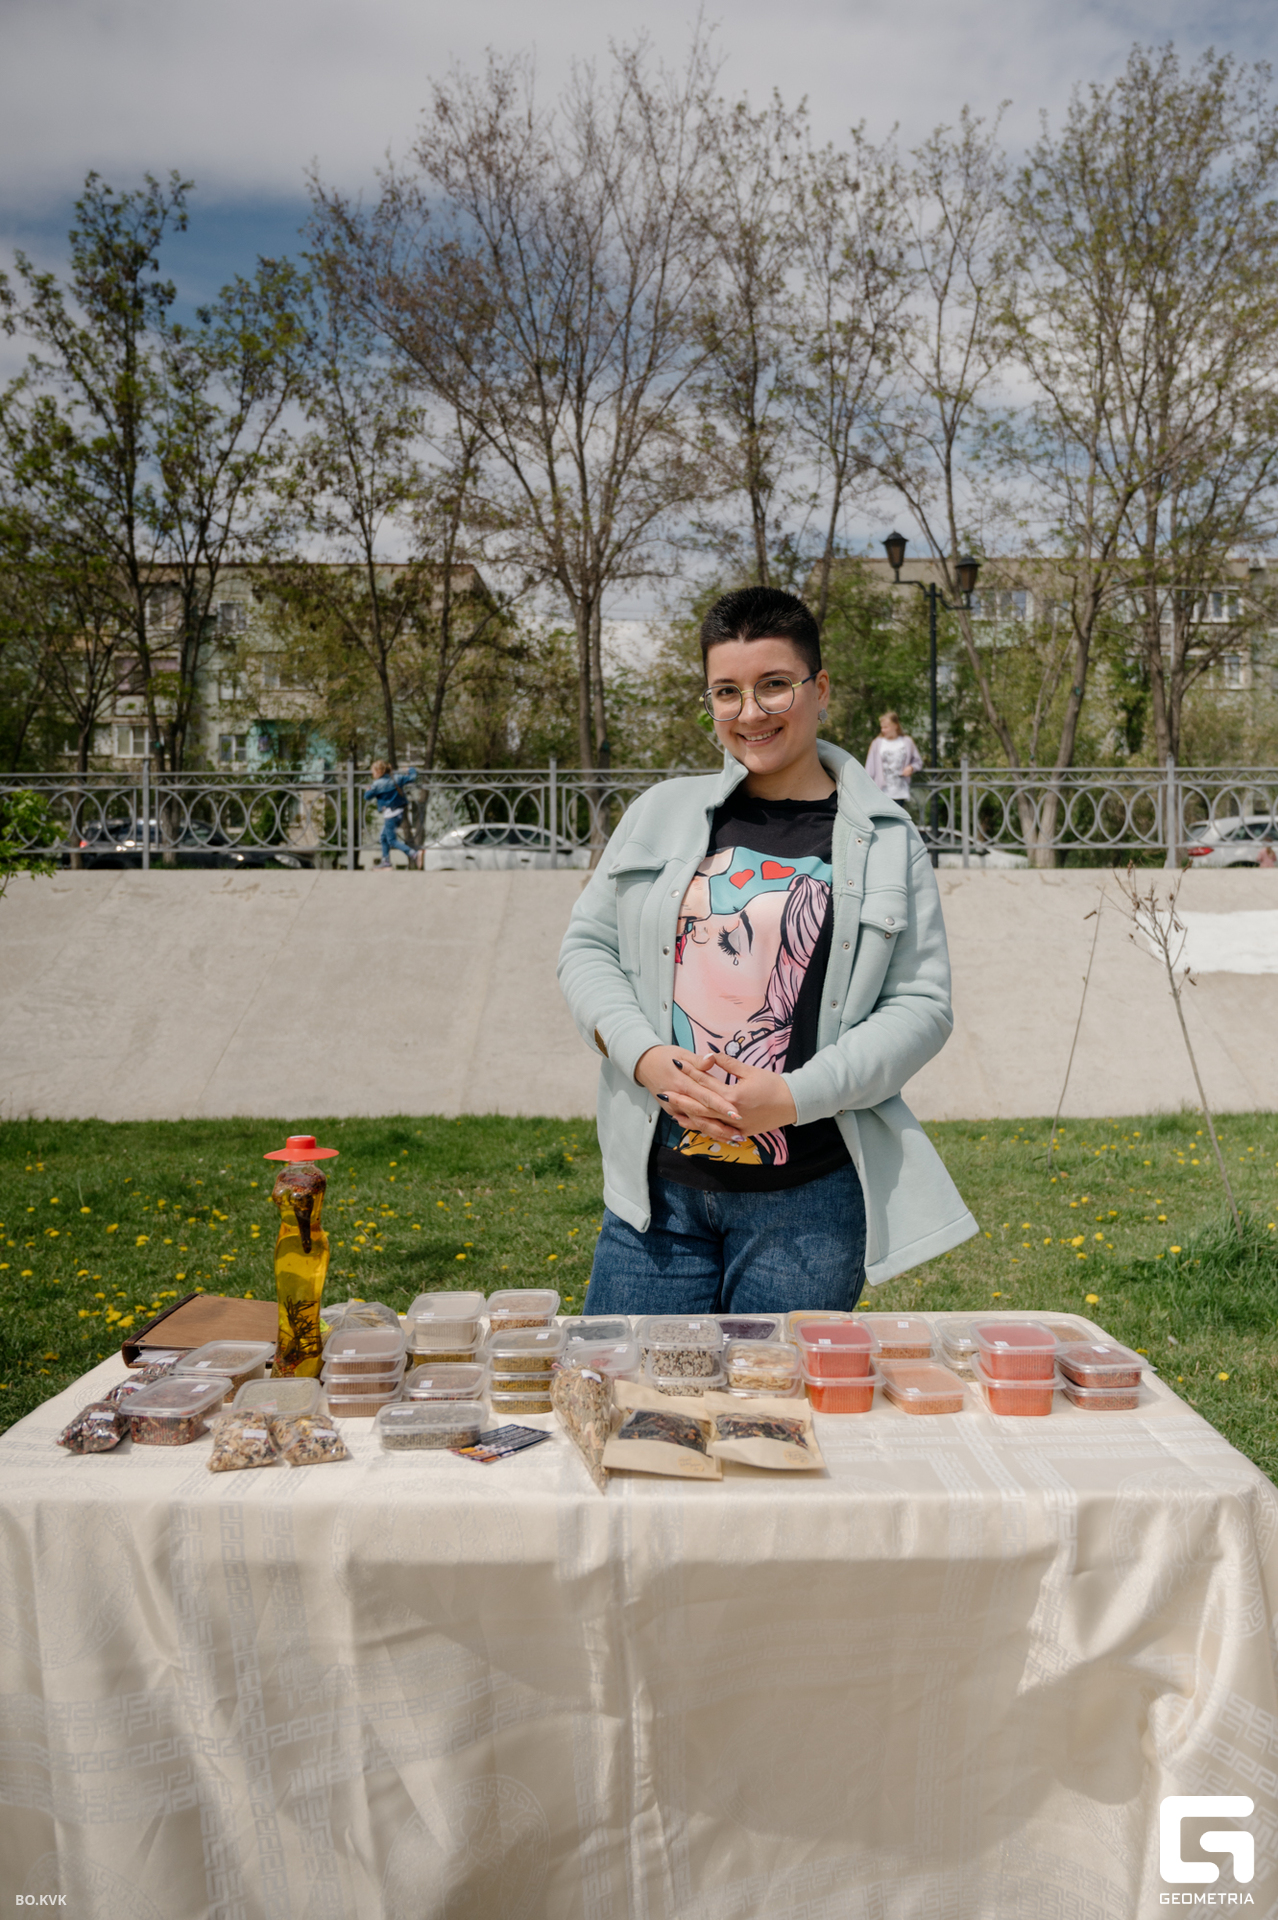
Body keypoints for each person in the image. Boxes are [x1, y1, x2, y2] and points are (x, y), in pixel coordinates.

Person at [558, 585, 976, 1317]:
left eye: (774, 685)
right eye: (727, 691)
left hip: (809, 1206)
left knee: (769, 1394)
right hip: (655, 1201)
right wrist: (646, 1059)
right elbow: (588, 948)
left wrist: (789, 1097)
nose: (750, 713)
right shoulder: (659, 813)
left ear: (821, 690)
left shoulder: (886, 840)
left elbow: (920, 1007)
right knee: (627, 1388)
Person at [364, 761, 420, 869]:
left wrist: (368, 789)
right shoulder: (397, 778)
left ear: (379, 771)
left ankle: (413, 853)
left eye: (373, 772)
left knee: (392, 841)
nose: (372, 774)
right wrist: (410, 769)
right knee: (383, 837)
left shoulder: (377, 784)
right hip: (399, 813)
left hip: (390, 815)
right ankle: (386, 861)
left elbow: (367, 797)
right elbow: (413, 777)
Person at [865, 712, 923, 808]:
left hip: (900, 791)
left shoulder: (907, 742)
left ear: (895, 726)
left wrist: (911, 768)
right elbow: (869, 769)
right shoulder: (877, 743)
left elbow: (918, 762)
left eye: (886, 727)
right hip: (881, 791)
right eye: (882, 727)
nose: (883, 730)